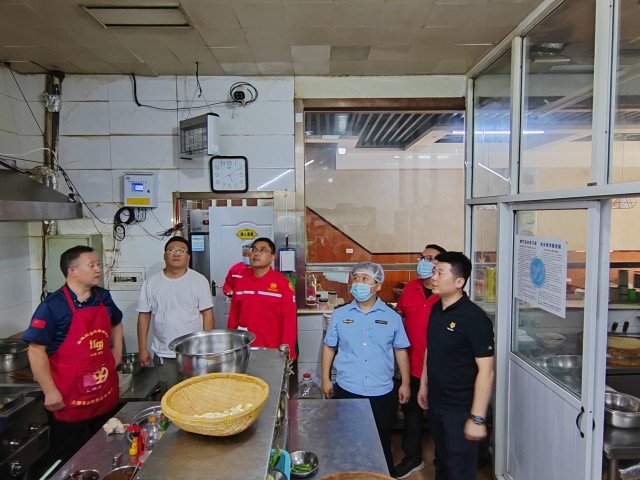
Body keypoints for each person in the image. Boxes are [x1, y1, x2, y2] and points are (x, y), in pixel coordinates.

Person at [23, 245, 123, 470]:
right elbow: (35, 350)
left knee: (108, 452)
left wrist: (117, 352)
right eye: (92, 265)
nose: (98, 269)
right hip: (70, 401)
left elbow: (116, 323)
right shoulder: (52, 306)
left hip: (104, 395)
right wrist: (50, 391)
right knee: (71, 462)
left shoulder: (103, 297)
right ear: (73, 271)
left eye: (98, 264)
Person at [321, 262, 411, 477]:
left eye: (365, 279)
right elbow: (329, 346)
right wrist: (325, 378)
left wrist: (406, 383)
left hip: (381, 392)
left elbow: (400, 350)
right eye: (356, 278)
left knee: (381, 442)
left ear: (378, 285)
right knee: (347, 441)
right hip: (347, 388)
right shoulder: (340, 314)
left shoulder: (392, 316)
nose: (358, 283)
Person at [417, 252, 495, 480]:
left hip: (460, 408)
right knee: (442, 463)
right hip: (437, 402)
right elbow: (431, 349)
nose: (433, 277)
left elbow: (486, 371)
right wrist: (424, 385)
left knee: (459, 470)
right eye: (434, 271)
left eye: (440, 273)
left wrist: (477, 418)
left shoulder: (474, 319)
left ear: (459, 282)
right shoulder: (436, 310)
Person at [394, 243, 447, 479]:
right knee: (412, 415)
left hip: (439, 368)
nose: (424, 262)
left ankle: (443, 463)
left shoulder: (447, 292)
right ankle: (413, 457)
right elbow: (401, 317)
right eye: (421, 257)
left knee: (440, 418)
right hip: (412, 364)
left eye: (430, 258)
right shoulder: (411, 288)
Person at [137, 236, 214, 392]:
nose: (176, 254)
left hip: (194, 353)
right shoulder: (151, 283)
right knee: (169, 395)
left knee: (195, 394)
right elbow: (144, 316)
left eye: (181, 251)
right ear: (164, 255)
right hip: (164, 353)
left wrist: (207, 348)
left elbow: (208, 315)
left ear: (188, 257)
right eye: (171, 250)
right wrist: (142, 348)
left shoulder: (199, 281)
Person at [227, 237, 297, 358]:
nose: (256, 253)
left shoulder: (283, 284)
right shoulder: (241, 283)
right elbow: (233, 318)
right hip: (245, 351)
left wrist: (287, 352)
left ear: (272, 257)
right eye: (253, 250)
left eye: (262, 250)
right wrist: (231, 347)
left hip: (273, 351)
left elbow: (289, 322)